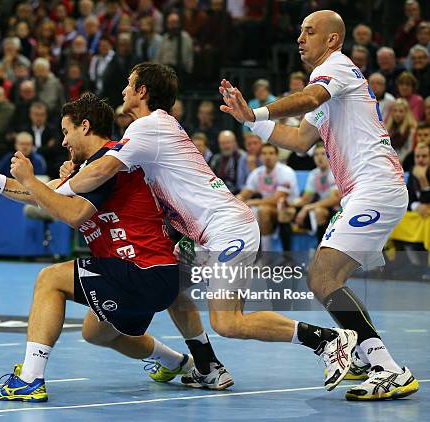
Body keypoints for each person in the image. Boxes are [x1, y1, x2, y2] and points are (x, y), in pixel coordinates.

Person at [61, 62, 355, 391]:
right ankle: (207, 366)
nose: (124, 90)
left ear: (142, 91)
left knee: (227, 322)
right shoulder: (153, 129)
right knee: (170, 284)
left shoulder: (146, 128)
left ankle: (327, 340)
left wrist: (45, 191)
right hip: (206, 233)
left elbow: (100, 172)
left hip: (229, 230)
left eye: (129, 85)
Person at [219, 10, 419, 400]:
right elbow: (299, 141)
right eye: (299, 31)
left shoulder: (337, 68)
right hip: (364, 191)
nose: (300, 38)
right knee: (325, 277)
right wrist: (249, 121)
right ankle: (365, 353)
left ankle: (390, 369)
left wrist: (258, 109)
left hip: (377, 186)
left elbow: (309, 97)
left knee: (323, 276)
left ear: (332, 40)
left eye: (309, 31)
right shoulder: (330, 86)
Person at [0, 93, 194, 402]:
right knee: (96, 332)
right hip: (152, 277)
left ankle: (30, 379)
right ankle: (176, 362)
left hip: (139, 268)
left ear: (85, 126)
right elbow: (43, 194)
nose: (64, 142)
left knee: (50, 279)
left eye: (66, 132)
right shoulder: (92, 167)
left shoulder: (108, 162)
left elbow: (74, 214)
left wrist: (31, 179)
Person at [237, 143, 298, 252]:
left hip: (288, 209)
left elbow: (277, 200)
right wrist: (237, 200)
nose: (267, 156)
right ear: (260, 157)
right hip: (267, 209)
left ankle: (266, 254)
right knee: (245, 211)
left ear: (277, 156)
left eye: (271, 153)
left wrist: (254, 202)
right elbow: (245, 193)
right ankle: (246, 253)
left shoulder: (286, 172)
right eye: (264, 153)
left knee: (262, 210)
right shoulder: (257, 173)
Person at [278, 143, 341, 250]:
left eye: (323, 154)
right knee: (286, 213)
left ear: (330, 155)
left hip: (338, 210)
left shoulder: (335, 171)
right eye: (316, 155)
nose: (319, 158)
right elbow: (306, 199)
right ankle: (286, 255)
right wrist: (290, 203)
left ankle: (321, 251)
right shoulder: (314, 174)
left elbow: (334, 200)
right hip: (318, 207)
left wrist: (308, 208)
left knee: (319, 211)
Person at [209, 130, 248, 195]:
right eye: (222, 143)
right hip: (218, 193)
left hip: (238, 194)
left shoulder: (243, 158)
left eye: (228, 142)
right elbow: (211, 178)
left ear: (235, 143)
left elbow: (245, 183)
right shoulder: (216, 159)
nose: (225, 146)